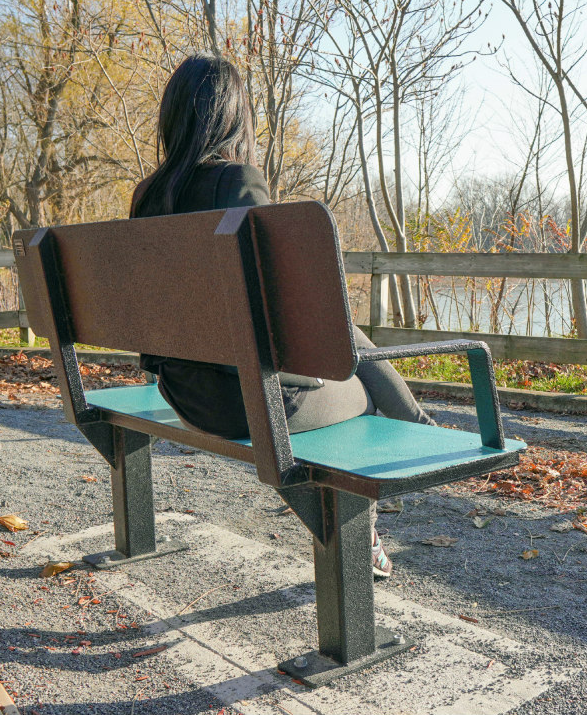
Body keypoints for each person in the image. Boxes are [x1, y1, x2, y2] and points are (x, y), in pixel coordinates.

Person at [130, 54, 434, 578]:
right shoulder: (237, 182)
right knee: (359, 389)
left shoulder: (147, 197)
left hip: (183, 394)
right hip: (248, 399)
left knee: (341, 338)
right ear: (232, 116)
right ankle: (374, 510)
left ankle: (380, 500)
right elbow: (275, 300)